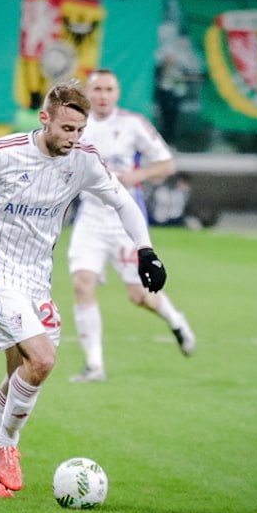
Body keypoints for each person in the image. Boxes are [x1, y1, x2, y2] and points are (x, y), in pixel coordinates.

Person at [0, 82, 168, 498]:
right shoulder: (3, 153)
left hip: (36, 279)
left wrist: (146, 251)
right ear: (45, 119)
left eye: (80, 130)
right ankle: (7, 444)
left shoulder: (84, 161)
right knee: (42, 360)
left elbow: (124, 203)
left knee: (19, 373)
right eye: (67, 129)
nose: (74, 139)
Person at [66, 69, 197, 384]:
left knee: (139, 295)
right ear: (88, 92)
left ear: (117, 93)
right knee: (82, 283)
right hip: (90, 218)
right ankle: (94, 365)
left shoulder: (132, 124)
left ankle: (175, 319)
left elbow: (167, 164)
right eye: (97, 89)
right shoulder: (76, 125)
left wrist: (136, 176)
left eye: (109, 89)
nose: (102, 95)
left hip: (124, 219)